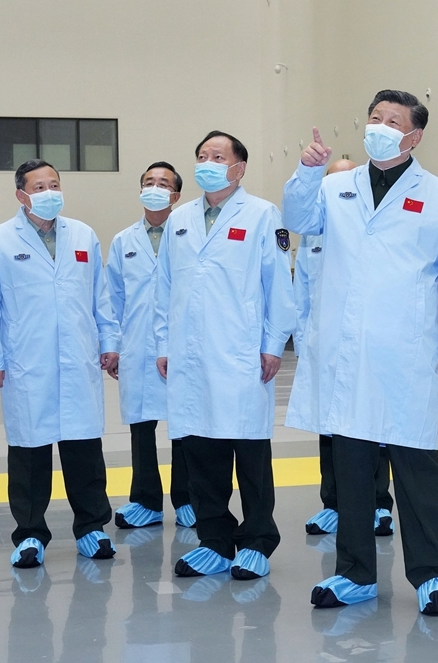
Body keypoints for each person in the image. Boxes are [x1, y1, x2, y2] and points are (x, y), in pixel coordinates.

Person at [283, 90, 438, 616]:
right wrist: (308, 171)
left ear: (415, 136)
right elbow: (297, 218)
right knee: (351, 469)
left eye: (394, 121)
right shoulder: (335, 187)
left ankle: (433, 575)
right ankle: (355, 573)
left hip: (403, 352)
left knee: (416, 466)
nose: (382, 128)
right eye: (376, 118)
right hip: (348, 352)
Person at [153, 131, 296, 580]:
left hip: (241, 352)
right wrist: (163, 345)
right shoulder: (179, 219)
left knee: (249, 452)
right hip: (189, 355)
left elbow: (279, 286)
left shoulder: (262, 215)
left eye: (218, 156)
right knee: (200, 452)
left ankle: (256, 540)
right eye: (202, 156)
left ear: (239, 167)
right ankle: (214, 541)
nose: (207, 163)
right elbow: (164, 287)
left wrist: (273, 344)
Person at [0, 158, 121, 568]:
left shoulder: (83, 235)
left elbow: (100, 297)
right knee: (29, 455)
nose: (49, 192)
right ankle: (30, 535)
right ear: (21, 195)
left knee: (84, 450)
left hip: (78, 358)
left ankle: (91, 528)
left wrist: (110, 342)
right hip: (27, 362)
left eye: (54, 184)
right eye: (39, 187)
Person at [297, 158, 395, 538]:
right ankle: (333, 505)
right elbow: (302, 292)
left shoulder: (374, 226)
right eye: (332, 179)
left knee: (373, 426)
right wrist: (304, 341)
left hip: (370, 343)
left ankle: (379, 504)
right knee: (329, 427)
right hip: (326, 343)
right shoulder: (313, 232)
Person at [106, 161, 194, 530]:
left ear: (176, 195)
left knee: (185, 427)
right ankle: (146, 501)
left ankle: (188, 499)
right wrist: (112, 345)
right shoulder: (123, 241)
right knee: (141, 426)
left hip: (182, 342)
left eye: (163, 183)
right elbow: (111, 299)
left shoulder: (190, 235)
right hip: (137, 345)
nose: (154, 188)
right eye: (148, 182)